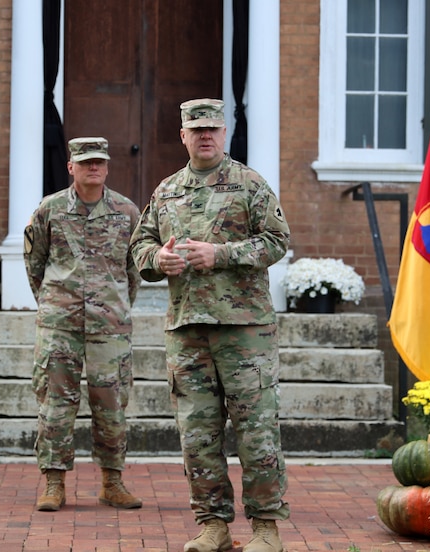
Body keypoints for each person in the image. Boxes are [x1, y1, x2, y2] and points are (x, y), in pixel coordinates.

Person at [129, 99, 290, 552]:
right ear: (183, 136)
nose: (205, 136)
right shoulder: (166, 191)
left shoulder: (250, 184)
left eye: (213, 129)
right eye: (196, 129)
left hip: (244, 330)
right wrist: (156, 259)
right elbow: (140, 244)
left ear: (225, 133)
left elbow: (277, 242)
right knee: (197, 436)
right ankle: (213, 525)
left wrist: (221, 254)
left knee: (256, 431)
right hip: (187, 329)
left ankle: (265, 529)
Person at [24, 136, 143, 512]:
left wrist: (115, 305)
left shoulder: (127, 212)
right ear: (71, 166)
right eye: (86, 162)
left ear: (107, 167)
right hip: (60, 323)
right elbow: (35, 263)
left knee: (111, 403)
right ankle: (53, 483)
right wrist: (55, 301)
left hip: (110, 325)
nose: (94, 167)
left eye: (100, 162)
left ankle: (112, 481)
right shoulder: (50, 210)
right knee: (56, 404)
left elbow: (133, 270)